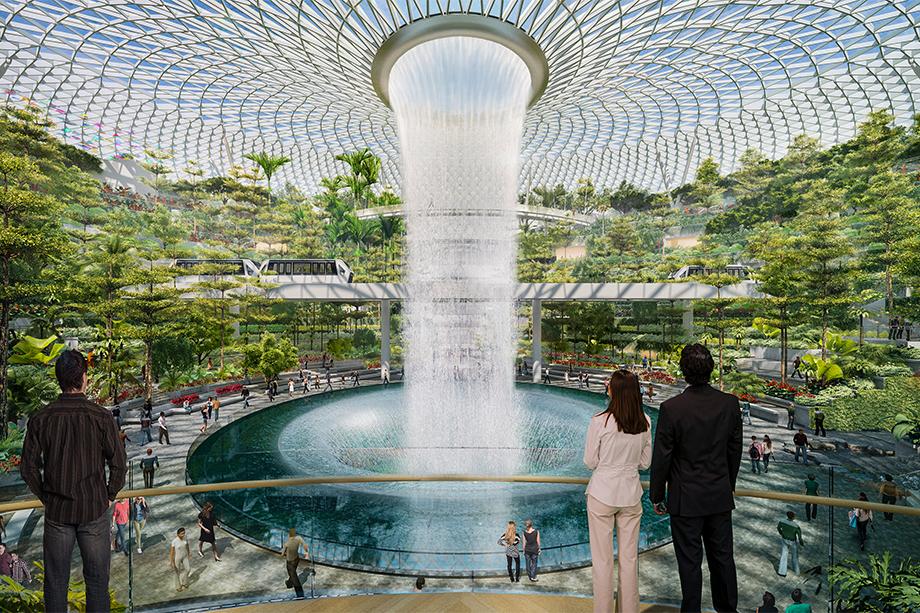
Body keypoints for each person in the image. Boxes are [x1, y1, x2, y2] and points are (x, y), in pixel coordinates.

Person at [20, 349, 127, 613]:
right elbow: (119, 465)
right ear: (83, 378)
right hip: (94, 509)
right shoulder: (101, 417)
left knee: (55, 583)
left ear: (59, 379)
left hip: (58, 512)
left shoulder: (41, 418)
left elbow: (28, 468)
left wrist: (47, 496)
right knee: (97, 581)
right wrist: (109, 494)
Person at [649, 343, 742, 613]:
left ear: (683, 371)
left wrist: (657, 496)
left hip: (685, 499)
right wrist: (728, 486)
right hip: (718, 496)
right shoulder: (729, 404)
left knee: (689, 564)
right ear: (711, 369)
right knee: (723, 559)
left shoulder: (672, 408)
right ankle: (727, 610)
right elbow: (734, 451)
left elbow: (662, 457)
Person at [583, 369, 650, 613]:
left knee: (602, 562)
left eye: (609, 383)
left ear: (614, 390)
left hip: (602, 494)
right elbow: (645, 463)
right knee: (630, 560)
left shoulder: (599, 421)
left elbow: (590, 462)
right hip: (631, 494)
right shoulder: (645, 422)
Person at [281, 527, 307, 598]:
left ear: (289, 535)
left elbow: (282, 554)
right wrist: (306, 552)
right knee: (292, 574)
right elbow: (305, 545)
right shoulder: (298, 538)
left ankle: (300, 594)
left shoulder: (287, 544)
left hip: (290, 562)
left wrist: (286, 553)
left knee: (294, 578)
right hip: (297, 559)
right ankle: (289, 583)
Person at [776, 511, 803, 576]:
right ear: (793, 517)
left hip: (784, 539)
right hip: (792, 541)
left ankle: (782, 572)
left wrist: (782, 533)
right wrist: (801, 543)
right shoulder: (796, 526)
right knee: (794, 556)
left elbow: (778, 528)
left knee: (784, 555)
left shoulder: (782, 521)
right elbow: (799, 536)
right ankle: (796, 571)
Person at [170, 527, 191, 592]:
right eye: (182, 534)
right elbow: (172, 553)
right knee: (177, 572)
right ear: (178, 534)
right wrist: (172, 562)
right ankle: (178, 586)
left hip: (185, 556)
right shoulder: (174, 541)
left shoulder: (185, 539)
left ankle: (184, 582)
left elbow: (187, 546)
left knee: (188, 569)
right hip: (177, 558)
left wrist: (189, 553)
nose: (183, 535)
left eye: (184, 533)